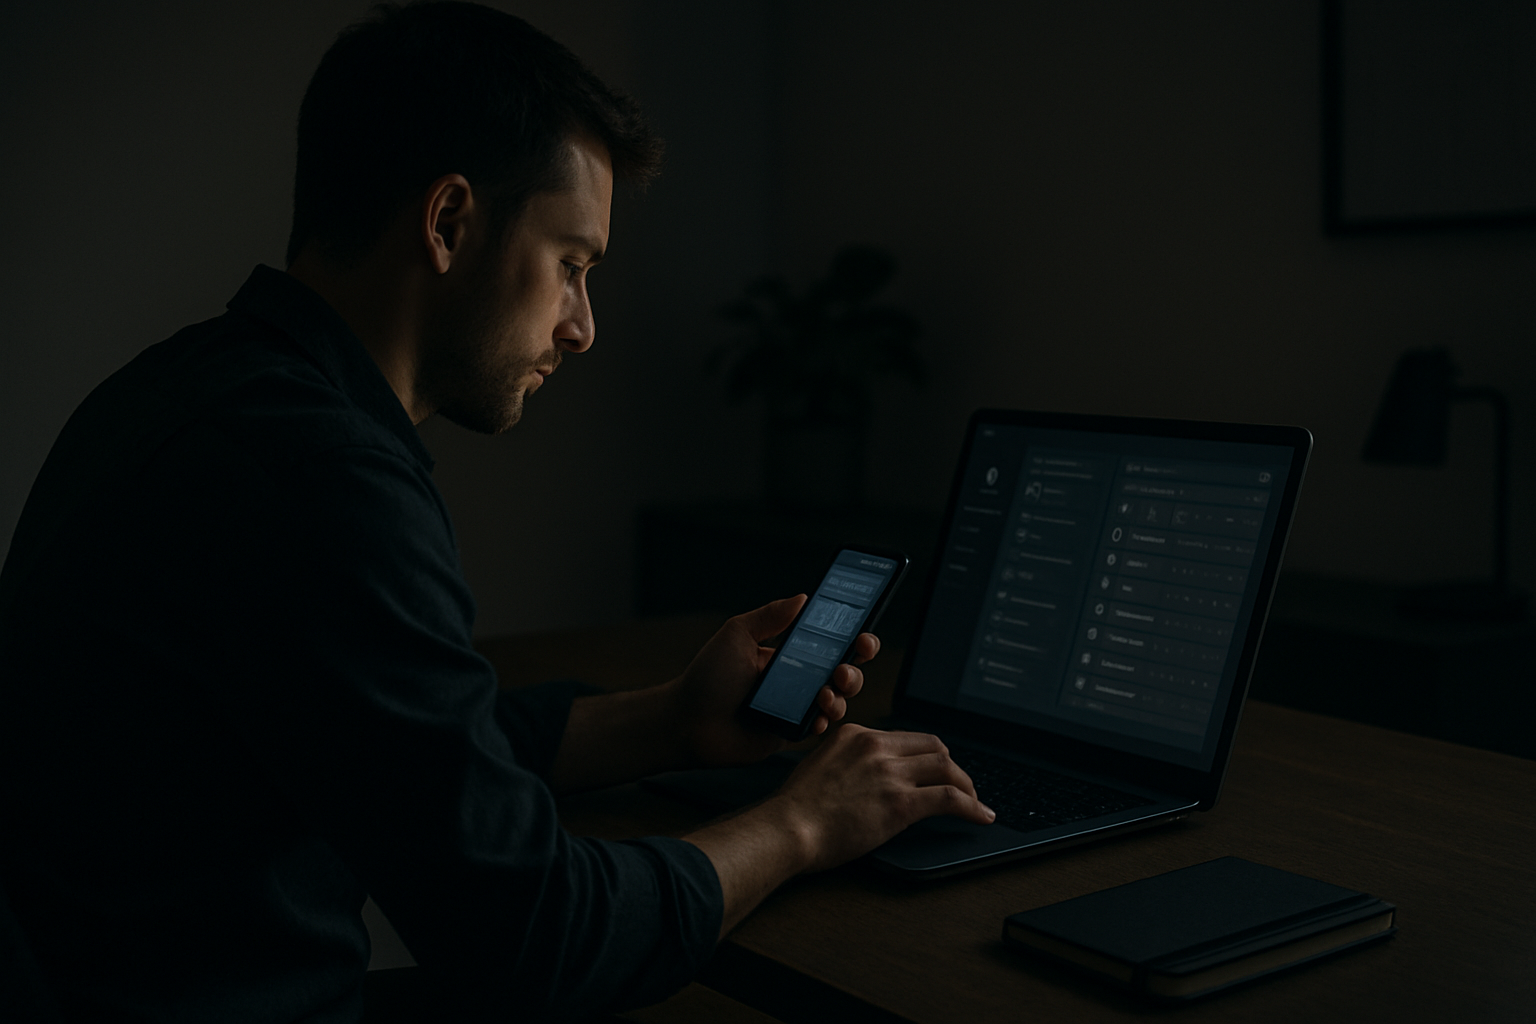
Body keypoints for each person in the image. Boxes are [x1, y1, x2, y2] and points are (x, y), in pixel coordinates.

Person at [0, 3, 993, 1021]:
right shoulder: (325, 480)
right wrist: (803, 824)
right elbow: (539, 937)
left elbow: (414, 750)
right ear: (448, 223)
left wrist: (671, 717)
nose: (583, 326)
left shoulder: (183, 391)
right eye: (572, 264)